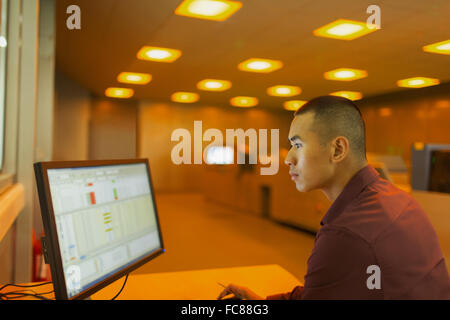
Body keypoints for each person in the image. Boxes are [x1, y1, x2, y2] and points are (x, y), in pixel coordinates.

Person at [217, 95, 450, 300]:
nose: (288, 158)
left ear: (338, 149)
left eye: (298, 144)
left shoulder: (346, 234)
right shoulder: (399, 199)